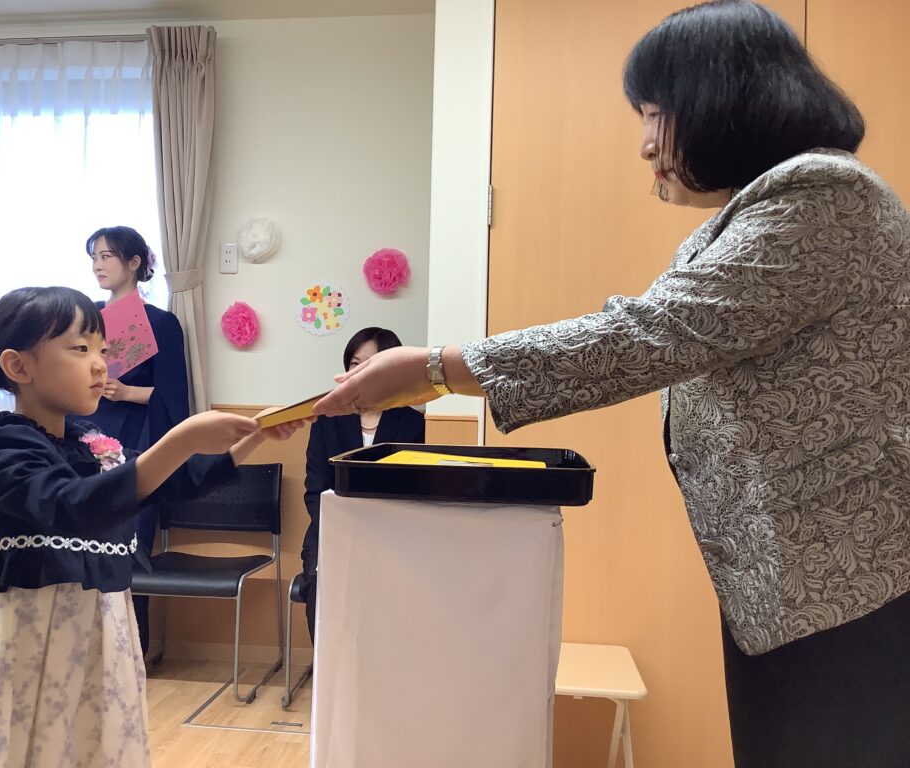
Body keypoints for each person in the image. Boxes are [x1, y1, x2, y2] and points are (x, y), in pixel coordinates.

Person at [314, 3, 910, 766]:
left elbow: (646, 335)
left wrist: (437, 368)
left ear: (722, 99)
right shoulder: (757, 213)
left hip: (855, 585)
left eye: (656, 115)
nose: (646, 145)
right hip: (797, 589)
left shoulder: (823, 197)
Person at [0, 287, 303, 767]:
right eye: (80, 348)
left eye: (103, 350)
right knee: (34, 743)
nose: (100, 365)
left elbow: (169, 482)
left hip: (100, 627)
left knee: (94, 740)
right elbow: (78, 506)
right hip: (34, 636)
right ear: (18, 366)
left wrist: (251, 439)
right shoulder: (5, 446)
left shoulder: (91, 441)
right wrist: (179, 440)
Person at [84, 225, 189, 657]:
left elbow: (174, 397)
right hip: (84, 436)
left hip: (135, 440)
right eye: (94, 257)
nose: (98, 265)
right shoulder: (86, 318)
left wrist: (126, 391)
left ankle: (129, 649)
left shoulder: (161, 322)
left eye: (107, 256)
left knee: (128, 543)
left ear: (134, 263)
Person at [301, 328, 425, 640]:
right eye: (354, 364)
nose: (358, 372)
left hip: (391, 535)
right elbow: (315, 488)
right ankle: (328, 668)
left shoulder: (413, 423)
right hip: (333, 531)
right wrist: (342, 528)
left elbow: (414, 491)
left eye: (368, 365)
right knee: (322, 587)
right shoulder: (327, 418)